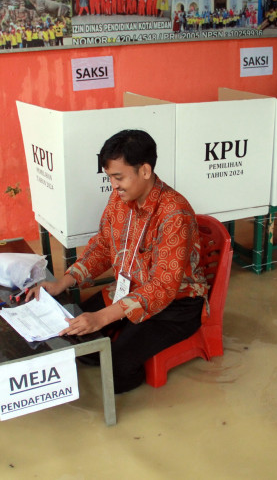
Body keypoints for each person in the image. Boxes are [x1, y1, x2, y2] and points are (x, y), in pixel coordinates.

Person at [29, 129, 208, 394]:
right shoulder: (119, 199)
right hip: (128, 289)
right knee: (74, 337)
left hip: (177, 304)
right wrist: (61, 283)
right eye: (110, 177)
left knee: (114, 371)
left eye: (118, 177)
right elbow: (102, 247)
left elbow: (162, 287)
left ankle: (124, 346)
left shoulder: (174, 214)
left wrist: (102, 318)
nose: (114, 185)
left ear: (145, 171)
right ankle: (120, 333)